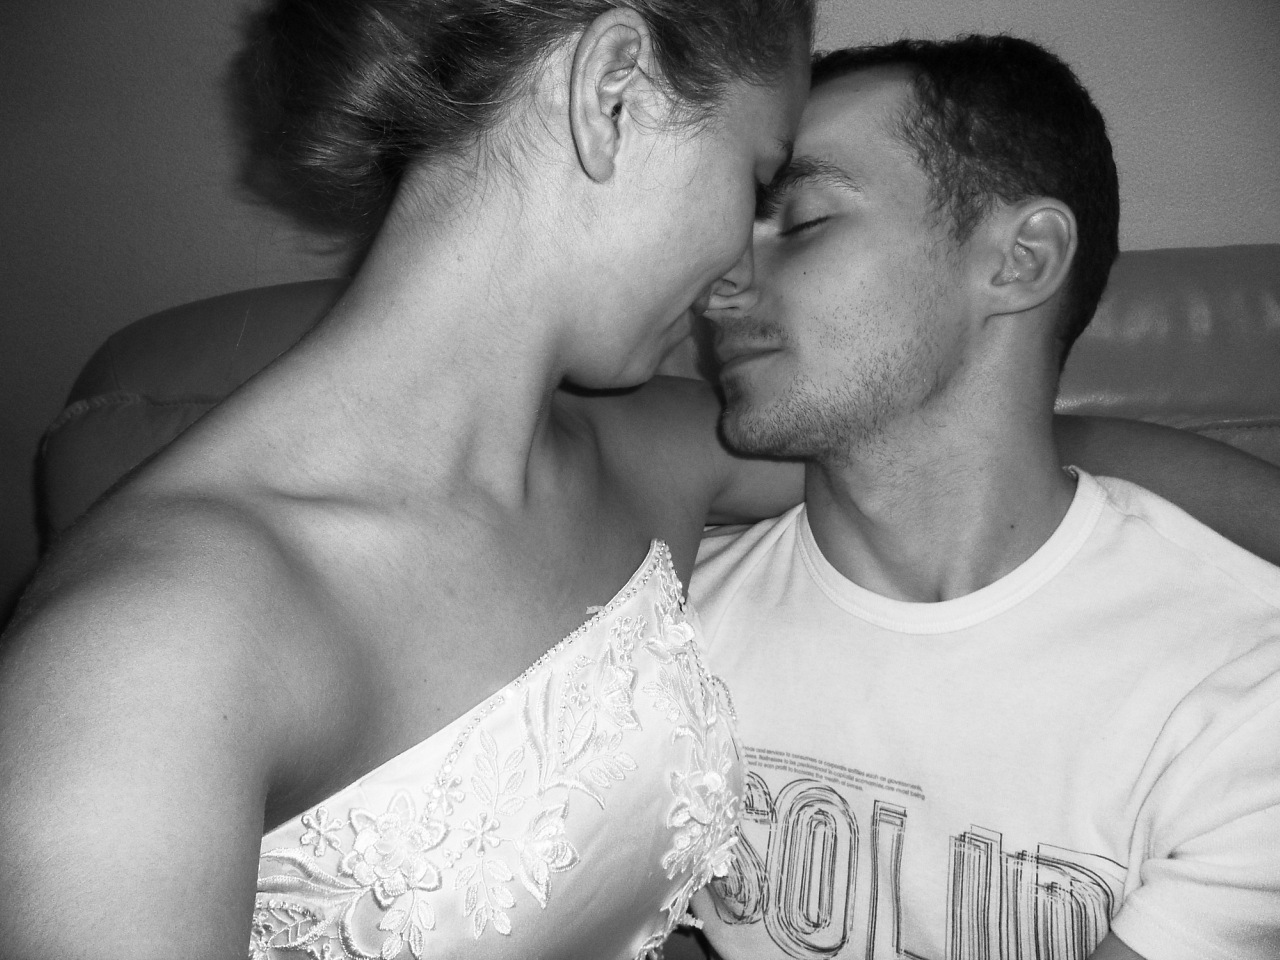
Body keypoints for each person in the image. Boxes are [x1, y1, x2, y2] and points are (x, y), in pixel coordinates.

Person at [0, 6, 1277, 957]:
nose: (731, 271)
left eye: (791, 207)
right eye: (752, 176)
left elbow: (985, 451)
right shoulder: (149, 648)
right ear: (611, 94)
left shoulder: (647, 449)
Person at [690, 35, 1280, 960]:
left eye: (801, 222)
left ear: (1021, 259)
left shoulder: (1237, 693)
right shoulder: (665, 632)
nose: (717, 285)